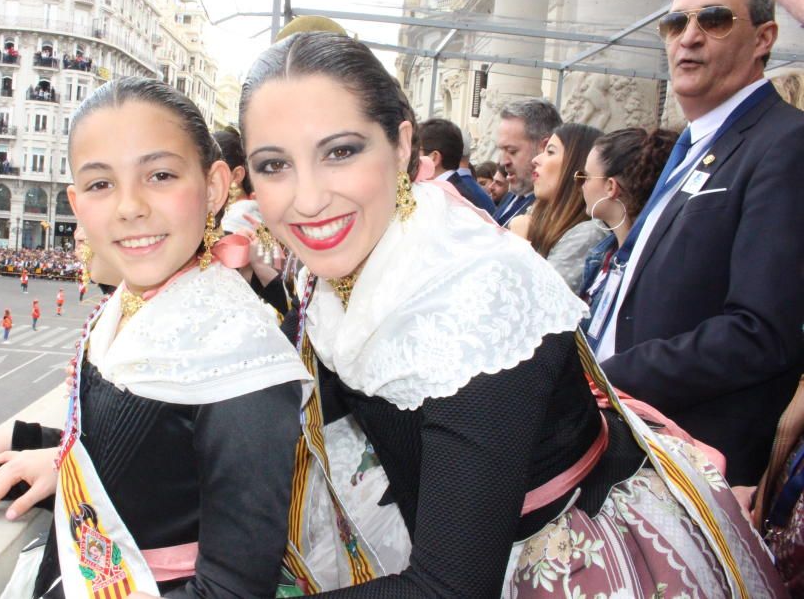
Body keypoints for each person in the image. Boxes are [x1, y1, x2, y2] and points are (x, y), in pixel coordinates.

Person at [238, 30, 785, 597]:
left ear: (402, 146)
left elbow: (449, 587)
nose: (306, 198)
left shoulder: (476, 299)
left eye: (341, 151)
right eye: (274, 165)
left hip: (571, 564)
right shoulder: (351, 256)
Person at [0, 77, 309, 599]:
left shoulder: (241, 358)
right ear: (76, 204)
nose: (130, 206)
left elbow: (232, 589)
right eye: (100, 184)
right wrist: (13, 442)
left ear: (216, 186)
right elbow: (140, 471)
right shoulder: (132, 307)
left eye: (159, 175)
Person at [595, 0, 804, 486]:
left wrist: (605, 376)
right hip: (634, 442)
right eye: (675, 22)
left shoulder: (785, 143)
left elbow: (759, 332)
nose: (688, 37)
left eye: (713, 20)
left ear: (763, 39)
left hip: (694, 460)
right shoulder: (696, 143)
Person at [576, 128, 674, 330]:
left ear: (611, 187)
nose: (582, 185)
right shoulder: (602, 254)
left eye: (585, 177)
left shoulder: (648, 264)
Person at [508, 123, 605, 292]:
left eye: (550, 152)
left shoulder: (587, 234)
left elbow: (542, 302)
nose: (536, 160)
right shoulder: (538, 217)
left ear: (576, 167)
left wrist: (519, 244)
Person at [492, 98, 562, 227]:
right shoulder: (512, 195)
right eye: (502, 150)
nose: (503, 162)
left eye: (512, 151)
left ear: (545, 147)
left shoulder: (554, 213)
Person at [419, 118, 495, 213]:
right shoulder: (447, 191)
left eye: (417, 150)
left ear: (434, 157)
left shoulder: (454, 197)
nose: (412, 157)